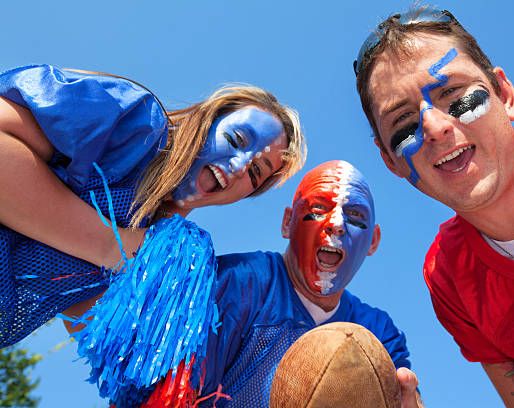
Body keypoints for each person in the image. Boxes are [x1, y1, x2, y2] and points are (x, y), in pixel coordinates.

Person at [353, 5, 514, 408]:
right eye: (403, 124)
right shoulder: (450, 281)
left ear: (505, 94)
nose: (435, 128)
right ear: (391, 161)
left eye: (454, 95)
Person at [66, 160, 422, 408]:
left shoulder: (378, 332)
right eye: (316, 210)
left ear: (373, 241)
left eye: (355, 217)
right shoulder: (235, 285)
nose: (337, 225)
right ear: (287, 223)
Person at [0, 64, 306, 349]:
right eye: (236, 139)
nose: (240, 166)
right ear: (205, 121)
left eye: (255, 173)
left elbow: (93, 330)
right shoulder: (136, 125)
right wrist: (111, 245)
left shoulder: (160, 249)